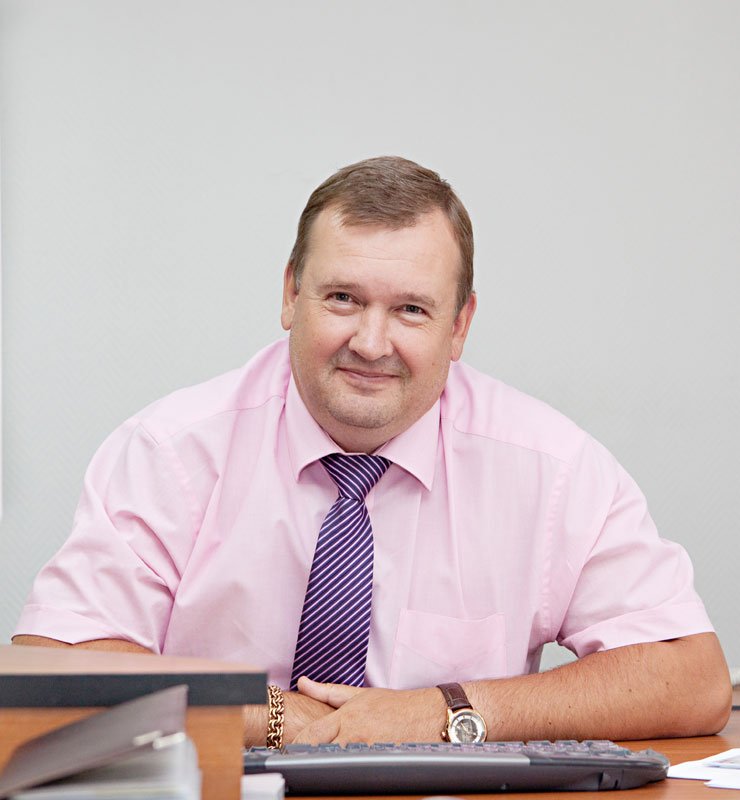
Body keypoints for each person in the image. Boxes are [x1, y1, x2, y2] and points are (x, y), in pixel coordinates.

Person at [13, 156, 731, 747]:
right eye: (343, 299)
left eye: (411, 309)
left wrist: (443, 712)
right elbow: (53, 664)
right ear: (291, 294)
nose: (371, 342)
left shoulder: (550, 467)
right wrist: (274, 716)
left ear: (460, 325)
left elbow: (691, 678)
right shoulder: (169, 452)